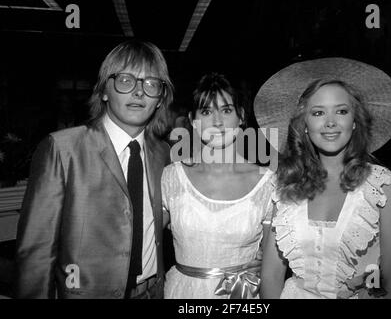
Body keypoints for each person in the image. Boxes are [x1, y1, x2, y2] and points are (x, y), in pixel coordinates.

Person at [14, 40, 174, 299]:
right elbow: (37, 253)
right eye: (125, 80)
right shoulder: (63, 149)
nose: (138, 92)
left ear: (159, 100)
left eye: (151, 84)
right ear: (104, 91)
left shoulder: (163, 154)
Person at [256, 58, 391, 299]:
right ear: (304, 124)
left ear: (355, 121)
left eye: (341, 111)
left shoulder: (383, 187)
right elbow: (271, 276)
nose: (330, 122)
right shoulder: (286, 184)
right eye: (318, 113)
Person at [162, 73, 274, 299]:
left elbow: (276, 264)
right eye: (206, 112)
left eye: (226, 110)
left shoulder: (268, 182)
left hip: (240, 295)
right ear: (193, 120)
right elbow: (144, 237)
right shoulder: (172, 176)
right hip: (182, 293)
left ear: (241, 116)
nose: (217, 122)